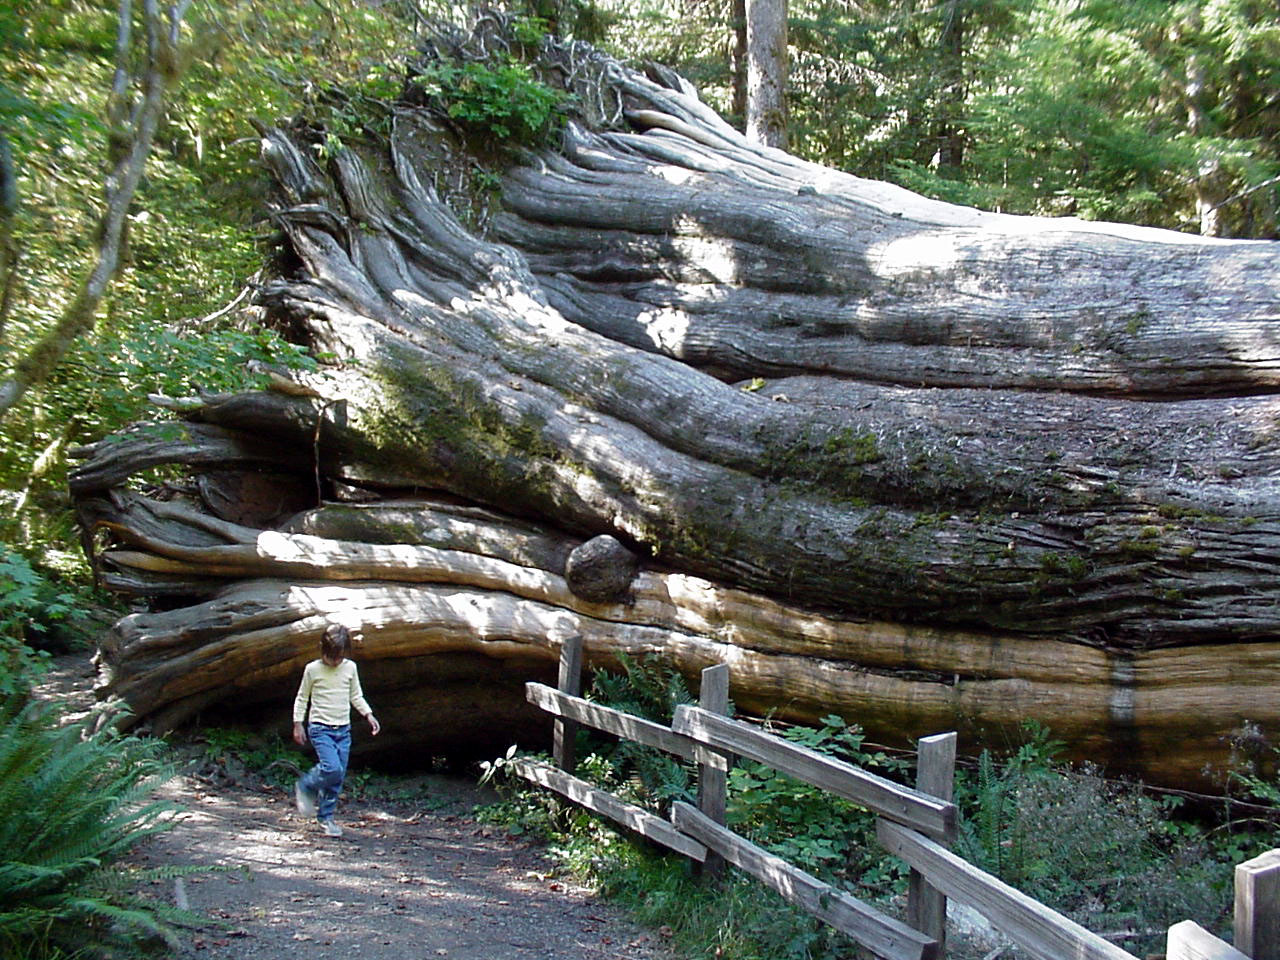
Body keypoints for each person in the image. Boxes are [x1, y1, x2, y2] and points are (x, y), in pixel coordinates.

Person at [292, 624, 380, 837]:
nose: (336, 661)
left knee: (337, 777)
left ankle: (327, 818)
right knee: (332, 769)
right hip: (320, 728)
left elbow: (355, 695)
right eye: (332, 657)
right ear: (322, 649)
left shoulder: (350, 668)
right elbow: (302, 697)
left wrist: (368, 715)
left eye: (340, 657)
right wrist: (298, 723)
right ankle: (306, 784)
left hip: (343, 729)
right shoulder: (312, 669)